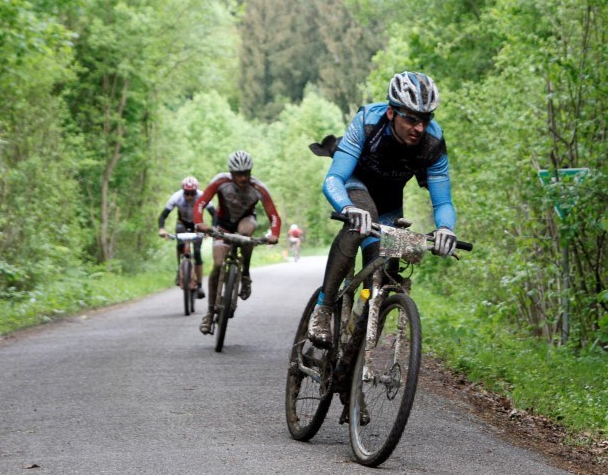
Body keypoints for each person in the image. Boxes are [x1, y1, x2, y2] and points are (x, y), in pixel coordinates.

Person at [308, 71, 458, 352]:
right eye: (411, 118)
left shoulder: (433, 144)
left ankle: (354, 348)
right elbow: (333, 179)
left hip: (389, 200)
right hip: (355, 184)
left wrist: (446, 229)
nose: (419, 128)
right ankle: (324, 309)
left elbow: (443, 202)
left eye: (426, 120)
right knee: (360, 220)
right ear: (391, 112)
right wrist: (347, 207)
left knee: (385, 270)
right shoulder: (368, 121)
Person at [193, 150, 281, 335]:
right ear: (231, 173)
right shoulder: (220, 181)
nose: (243, 178)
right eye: (238, 174)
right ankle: (209, 313)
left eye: (246, 173)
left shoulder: (258, 188)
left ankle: (246, 275)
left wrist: (274, 233)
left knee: (246, 234)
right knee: (217, 265)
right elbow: (200, 202)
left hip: (245, 220)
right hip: (222, 224)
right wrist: (199, 222)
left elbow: (273, 215)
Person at [157, 176, 214, 298]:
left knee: (197, 253)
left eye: (192, 193)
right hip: (182, 223)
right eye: (186, 193)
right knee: (180, 245)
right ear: (183, 191)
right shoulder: (176, 197)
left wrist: (212, 229)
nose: (189, 196)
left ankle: (199, 285)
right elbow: (163, 215)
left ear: (196, 191)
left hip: (197, 225)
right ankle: (180, 269)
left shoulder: (202, 196)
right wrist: (161, 228)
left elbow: (214, 213)